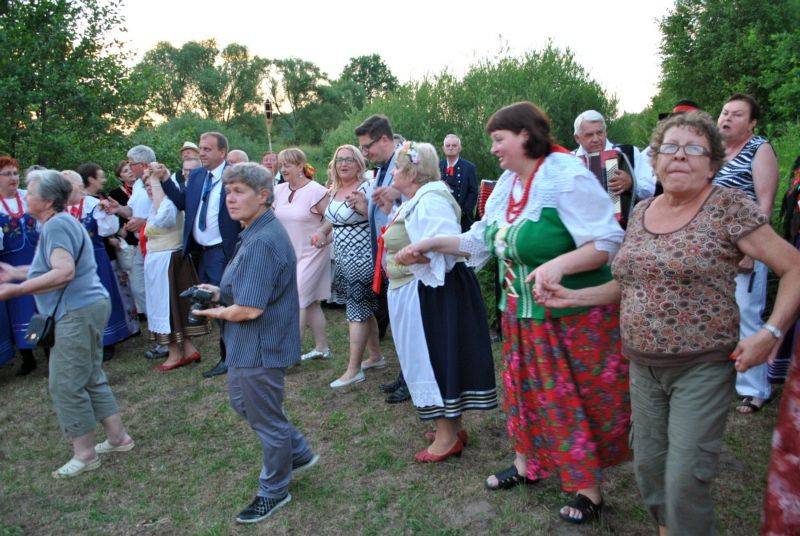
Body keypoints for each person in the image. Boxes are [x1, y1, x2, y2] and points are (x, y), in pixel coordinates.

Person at [540, 111, 800, 534]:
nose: (680, 156)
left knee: (684, 481)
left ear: (712, 164)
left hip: (701, 366)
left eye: (694, 148)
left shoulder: (728, 207)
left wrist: (770, 333)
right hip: (642, 368)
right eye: (669, 148)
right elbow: (629, 285)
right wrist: (573, 296)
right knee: (651, 473)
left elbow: (794, 267)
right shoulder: (642, 210)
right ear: (655, 161)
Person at [401, 102, 629, 523]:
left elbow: (607, 241)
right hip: (520, 315)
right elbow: (479, 240)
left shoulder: (566, 176)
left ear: (525, 136)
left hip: (568, 315)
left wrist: (559, 265)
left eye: (498, 139)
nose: (493, 149)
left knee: (568, 399)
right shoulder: (508, 183)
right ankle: (527, 465)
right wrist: (431, 245)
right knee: (523, 393)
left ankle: (588, 491)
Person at [191, 163, 319, 524]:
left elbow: (249, 309)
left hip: (260, 345)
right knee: (243, 402)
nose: (230, 199)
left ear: (263, 196)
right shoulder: (253, 232)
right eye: (227, 192)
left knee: (267, 421)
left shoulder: (262, 241)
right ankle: (298, 452)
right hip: (247, 344)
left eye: (239, 191)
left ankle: (274, 490)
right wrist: (218, 292)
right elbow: (249, 288)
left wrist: (213, 312)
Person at [0, 170, 134, 477]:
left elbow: (63, 273)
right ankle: (118, 438)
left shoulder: (57, 225)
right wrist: (16, 273)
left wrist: (16, 290)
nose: (25, 195)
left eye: (31, 191)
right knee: (91, 374)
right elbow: (54, 266)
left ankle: (84, 454)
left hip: (76, 310)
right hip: (86, 306)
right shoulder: (58, 223)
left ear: (47, 200)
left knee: (65, 382)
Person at [380, 141, 497, 462]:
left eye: (397, 168)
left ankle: (447, 437)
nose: (393, 173)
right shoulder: (419, 198)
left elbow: (443, 247)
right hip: (417, 290)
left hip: (431, 292)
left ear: (411, 173)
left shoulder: (431, 199)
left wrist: (415, 255)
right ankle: (451, 428)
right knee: (430, 356)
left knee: (432, 358)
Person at [713, 94, 781, 414]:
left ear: (752, 123)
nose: (727, 118)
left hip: (746, 245)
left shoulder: (759, 149)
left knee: (746, 315)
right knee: (715, 317)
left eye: (737, 114)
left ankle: (755, 389)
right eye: (724, 112)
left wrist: (752, 252)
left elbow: (764, 204)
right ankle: (722, 378)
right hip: (714, 247)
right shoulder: (714, 150)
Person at [160, 132, 242, 378]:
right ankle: (233, 354)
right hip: (200, 252)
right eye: (200, 149)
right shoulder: (197, 176)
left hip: (223, 251)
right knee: (213, 302)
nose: (202, 153)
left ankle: (230, 357)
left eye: (207, 149)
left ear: (222, 152)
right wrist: (165, 179)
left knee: (224, 303)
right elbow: (183, 203)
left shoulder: (235, 174)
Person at [310, 145, 383, 388]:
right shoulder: (335, 189)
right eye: (339, 160)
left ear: (359, 163)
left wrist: (364, 207)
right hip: (343, 258)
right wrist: (322, 234)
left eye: (349, 160)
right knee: (364, 309)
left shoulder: (367, 187)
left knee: (356, 312)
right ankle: (375, 357)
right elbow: (335, 222)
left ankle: (354, 370)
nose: (343, 164)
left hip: (363, 258)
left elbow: (381, 218)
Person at [353, 114, 410, 403]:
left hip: (405, 258)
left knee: (408, 324)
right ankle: (405, 374)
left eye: (367, 146)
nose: (365, 153)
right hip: (389, 257)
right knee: (399, 322)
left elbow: (416, 200)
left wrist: (396, 196)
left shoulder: (407, 161)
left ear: (385, 139)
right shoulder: (384, 166)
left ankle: (411, 380)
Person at [63, 170, 131, 361]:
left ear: (78, 186)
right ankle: (85, 340)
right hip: (71, 262)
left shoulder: (92, 204)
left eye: (68, 185)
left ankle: (108, 340)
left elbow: (108, 229)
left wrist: (106, 213)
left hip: (95, 259)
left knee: (100, 297)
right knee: (78, 300)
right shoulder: (57, 208)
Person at [273, 148, 331, 360]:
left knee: (296, 299)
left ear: (300, 166)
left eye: (287, 165)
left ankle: (289, 354)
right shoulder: (278, 190)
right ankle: (322, 347)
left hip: (312, 252)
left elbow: (333, 217)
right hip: (289, 254)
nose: (283, 169)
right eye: (281, 165)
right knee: (311, 302)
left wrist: (322, 232)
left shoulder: (316, 191)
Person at [573, 110, 656, 226]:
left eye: (599, 133)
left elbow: (651, 192)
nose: (596, 139)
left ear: (606, 132)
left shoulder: (628, 152)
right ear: (577, 138)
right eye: (589, 135)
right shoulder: (570, 161)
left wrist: (632, 184)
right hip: (582, 229)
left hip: (624, 229)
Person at [0, 156, 40, 375]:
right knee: (19, 309)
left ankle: (50, 348)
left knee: (41, 302)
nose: (13, 177)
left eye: (15, 173)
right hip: (11, 264)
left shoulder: (28, 196)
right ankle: (27, 356)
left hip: (35, 257)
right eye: (7, 174)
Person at [439, 134, 478, 231]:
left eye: (454, 145)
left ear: (460, 148)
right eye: (448, 146)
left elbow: (473, 192)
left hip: (463, 219)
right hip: (441, 217)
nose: (451, 148)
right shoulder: (437, 166)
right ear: (443, 148)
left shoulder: (469, 168)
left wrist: (462, 212)